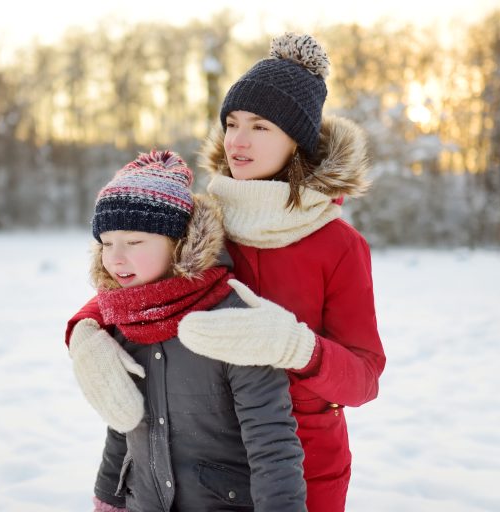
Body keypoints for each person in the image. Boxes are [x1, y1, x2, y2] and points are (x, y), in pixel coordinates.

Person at [66, 33, 386, 511]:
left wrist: (296, 347)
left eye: (260, 127)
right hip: (197, 455)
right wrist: (84, 327)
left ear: (297, 140)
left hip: (301, 463)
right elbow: (144, 291)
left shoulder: (337, 244)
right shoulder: (203, 217)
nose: (237, 140)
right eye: (232, 122)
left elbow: (364, 378)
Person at [69, 149, 307, 512]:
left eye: (134, 242)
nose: (116, 258)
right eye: (107, 243)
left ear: (179, 242)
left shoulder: (231, 318)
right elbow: (123, 419)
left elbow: (271, 440)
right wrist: (110, 496)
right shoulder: (122, 318)